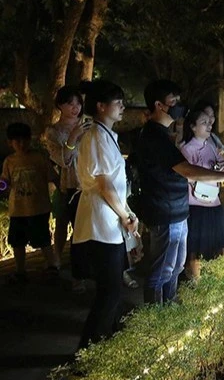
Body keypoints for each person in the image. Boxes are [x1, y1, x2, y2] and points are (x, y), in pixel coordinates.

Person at [136, 79, 224, 304]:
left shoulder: (163, 134)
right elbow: (188, 171)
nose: (179, 106)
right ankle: (154, 313)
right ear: (159, 105)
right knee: (163, 268)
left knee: (175, 266)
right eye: (174, 101)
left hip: (177, 209)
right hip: (165, 210)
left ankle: (169, 305)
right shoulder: (154, 136)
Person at [71, 80, 140, 348]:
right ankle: (89, 350)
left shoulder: (105, 135)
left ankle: (105, 343)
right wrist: (125, 216)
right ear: (101, 106)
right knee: (109, 290)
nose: (123, 106)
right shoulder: (97, 136)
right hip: (101, 223)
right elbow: (104, 184)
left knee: (112, 289)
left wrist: (126, 213)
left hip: (107, 220)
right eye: (117, 102)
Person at [43, 85, 92, 291]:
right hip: (72, 186)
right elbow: (62, 160)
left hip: (92, 184)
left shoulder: (89, 125)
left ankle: (90, 270)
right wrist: (73, 137)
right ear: (60, 105)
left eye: (78, 103)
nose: (75, 107)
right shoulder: (54, 132)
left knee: (89, 231)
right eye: (70, 103)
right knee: (74, 229)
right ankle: (76, 275)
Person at [2, 123, 59, 285]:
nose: (21, 144)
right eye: (17, 141)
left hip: (39, 208)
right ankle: (20, 271)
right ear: (10, 142)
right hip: (18, 209)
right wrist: (2, 186)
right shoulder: (9, 161)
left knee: (43, 239)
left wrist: (62, 192)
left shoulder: (39, 158)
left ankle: (52, 267)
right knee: (17, 241)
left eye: (24, 140)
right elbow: (5, 180)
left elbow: (53, 176)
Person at [180, 110, 224, 281]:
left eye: (209, 122)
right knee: (195, 248)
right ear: (193, 127)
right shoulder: (187, 149)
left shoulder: (210, 146)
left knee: (219, 244)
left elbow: (221, 165)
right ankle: (196, 283)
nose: (209, 125)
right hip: (196, 204)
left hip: (214, 202)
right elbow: (188, 175)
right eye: (204, 122)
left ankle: (219, 282)